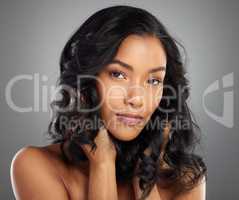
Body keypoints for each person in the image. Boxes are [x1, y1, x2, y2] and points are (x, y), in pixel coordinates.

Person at [10, 5, 207, 200]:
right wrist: (102, 163)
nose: (136, 99)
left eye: (153, 80)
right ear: (86, 81)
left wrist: (144, 177)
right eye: (118, 74)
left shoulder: (186, 179)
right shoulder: (35, 165)